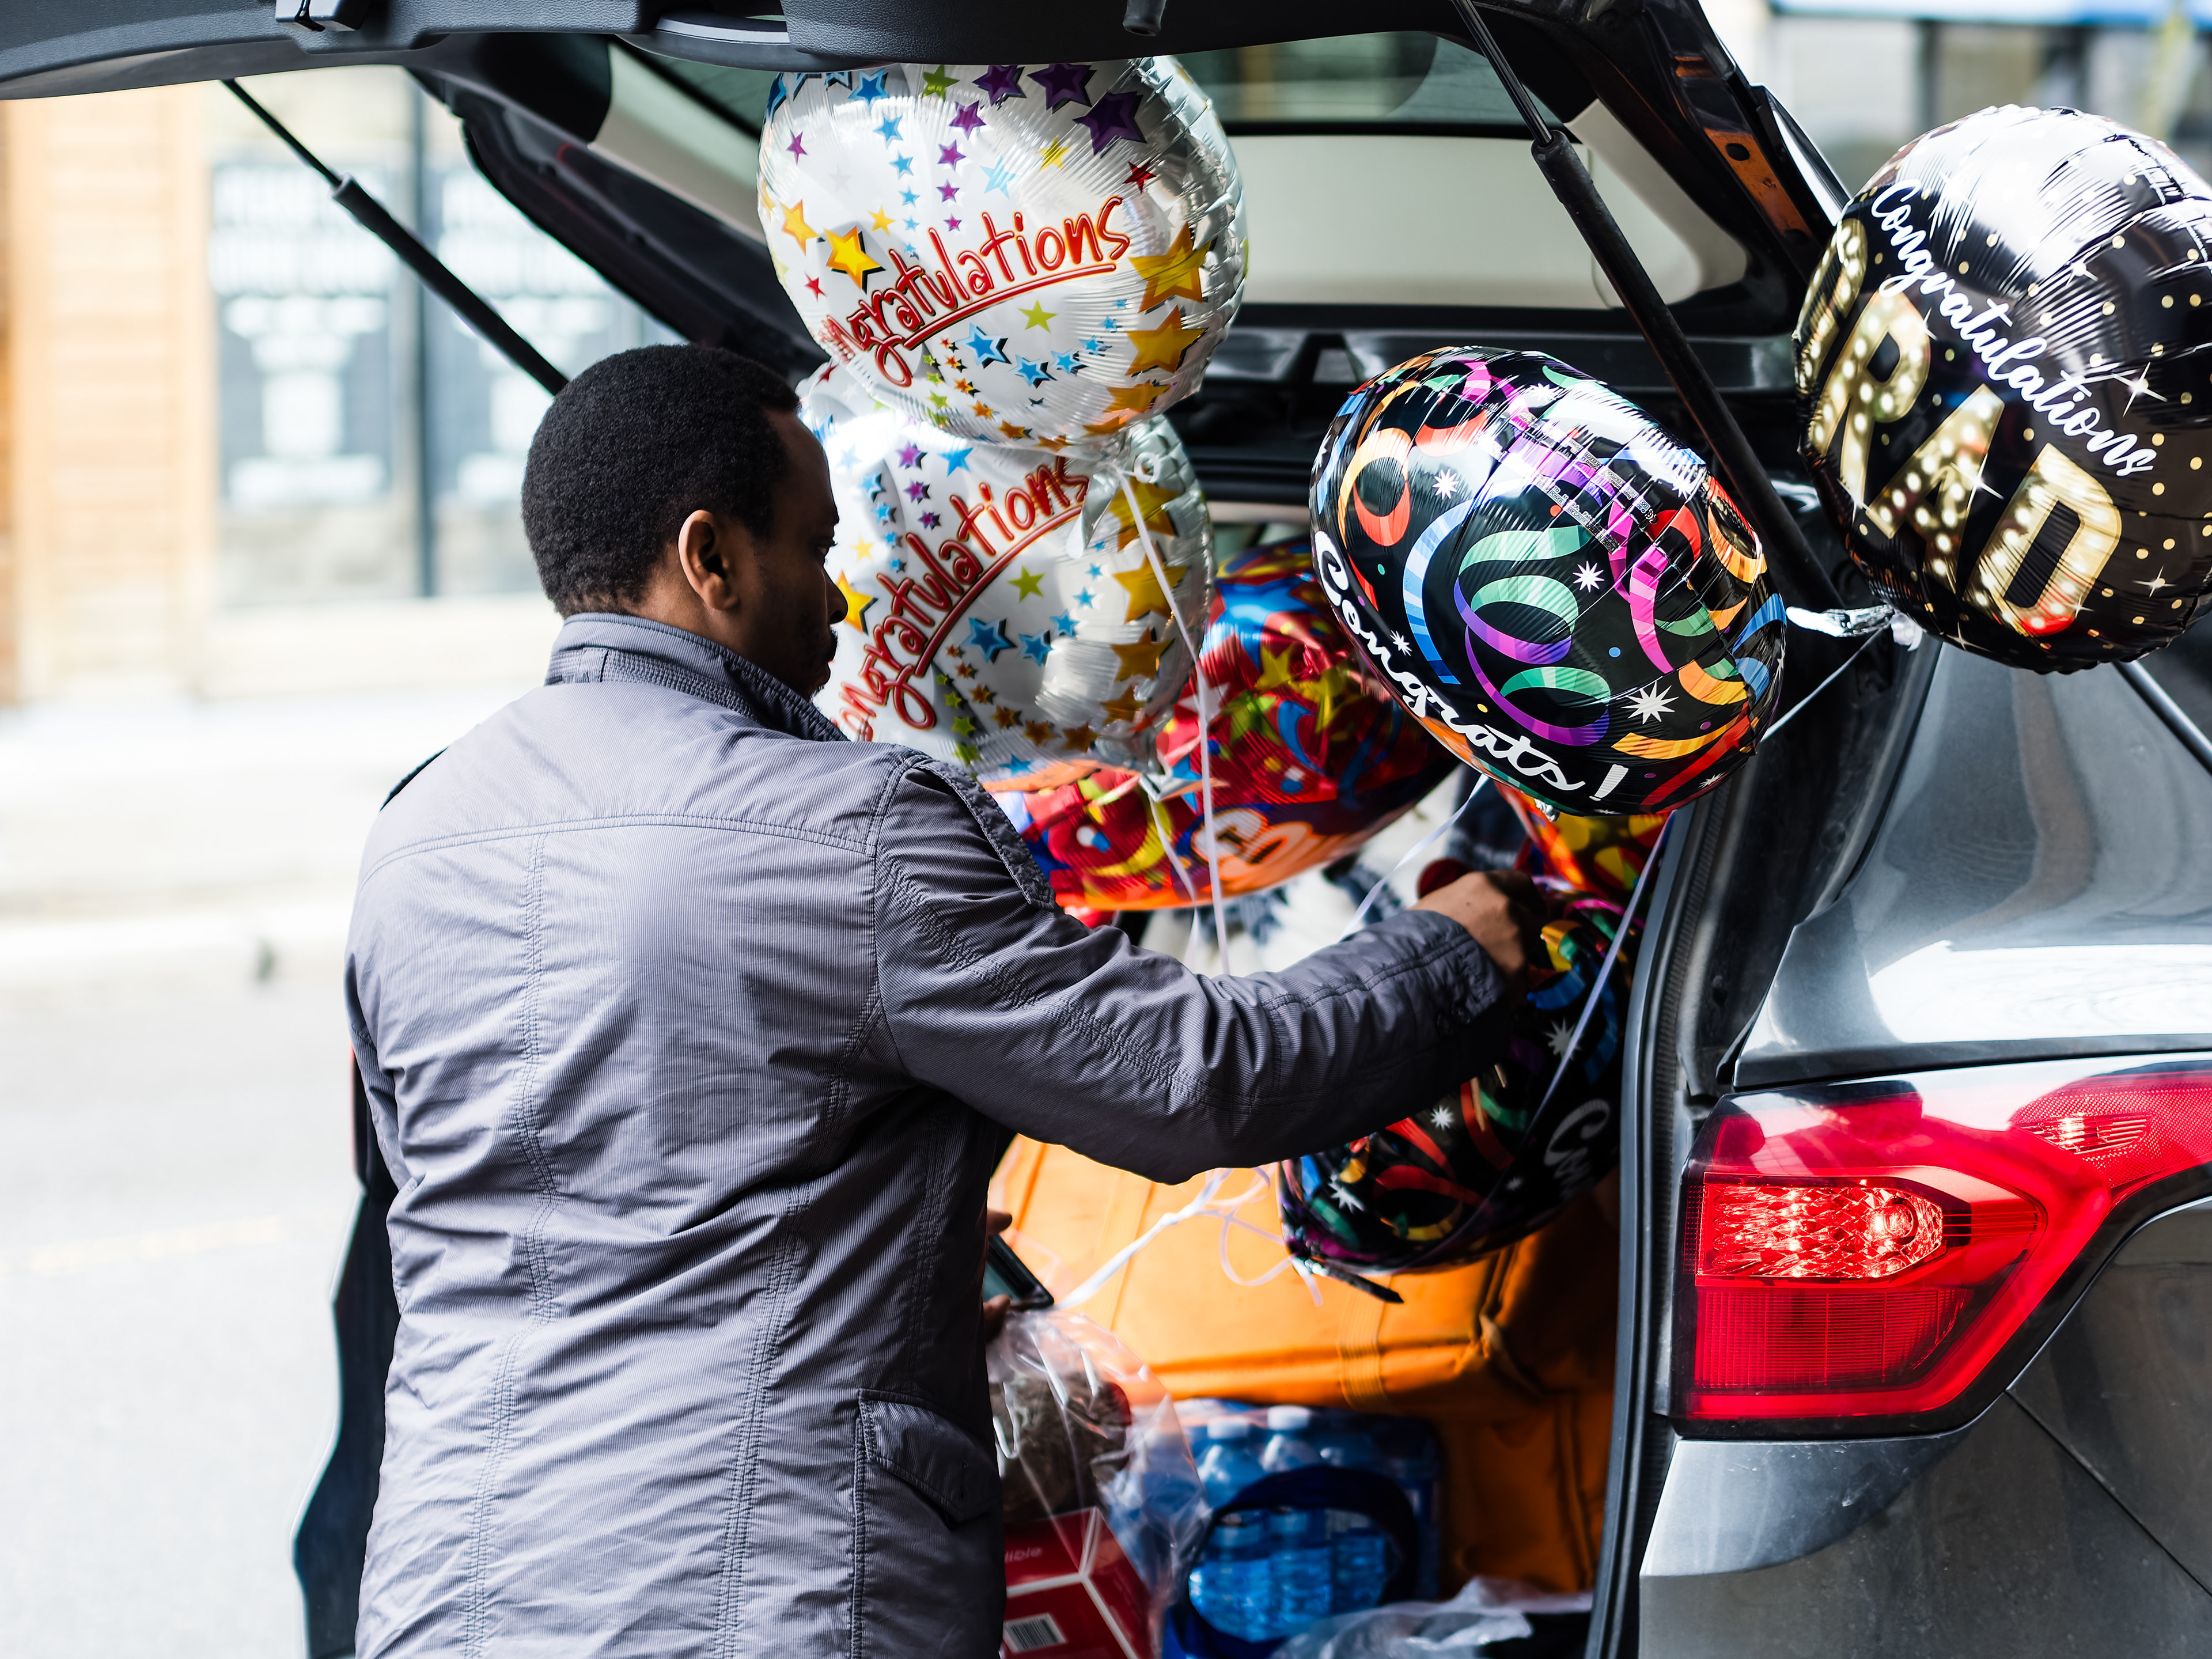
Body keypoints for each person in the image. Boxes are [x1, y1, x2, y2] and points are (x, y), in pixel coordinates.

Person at [345, 345, 1539, 1658]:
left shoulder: (415, 836)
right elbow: (1197, 1081)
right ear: (712, 558)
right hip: (759, 1603)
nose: (842, 596)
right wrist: (1451, 952)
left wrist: (898, 1286)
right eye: (814, 545)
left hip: (447, 1595)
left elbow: (487, 1193)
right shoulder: (846, 829)